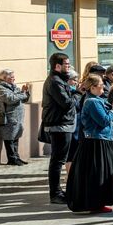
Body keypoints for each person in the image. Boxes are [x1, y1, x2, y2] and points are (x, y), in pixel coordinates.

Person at [67, 74, 113, 213]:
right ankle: (94, 203)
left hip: (101, 140)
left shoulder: (96, 100)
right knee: (97, 173)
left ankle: (98, 203)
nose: (103, 87)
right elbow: (104, 120)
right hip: (96, 142)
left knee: (101, 173)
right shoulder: (92, 102)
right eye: (100, 85)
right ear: (92, 87)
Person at [42, 52, 77, 203]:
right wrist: (77, 93)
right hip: (59, 125)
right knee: (57, 161)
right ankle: (55, 194)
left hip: (63, 124)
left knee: (59, 160)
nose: (68, 67)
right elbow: (67, 103)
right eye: (66, 65)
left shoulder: (59, 80)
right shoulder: (55, 81)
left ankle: (57, 192)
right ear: (57, 66)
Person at [0, 69, 30, 166]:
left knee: (15, 136)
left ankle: (16, 157)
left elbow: (22, 98)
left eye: (13, 77)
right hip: (8, 117)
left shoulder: (13, 86)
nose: (14, 79)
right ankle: (12, 158)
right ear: (4, 78)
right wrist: (22, 94)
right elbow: (11, 99)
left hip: (16, 117)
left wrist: (25, 92)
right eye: (11, 77)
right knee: (9, 137)